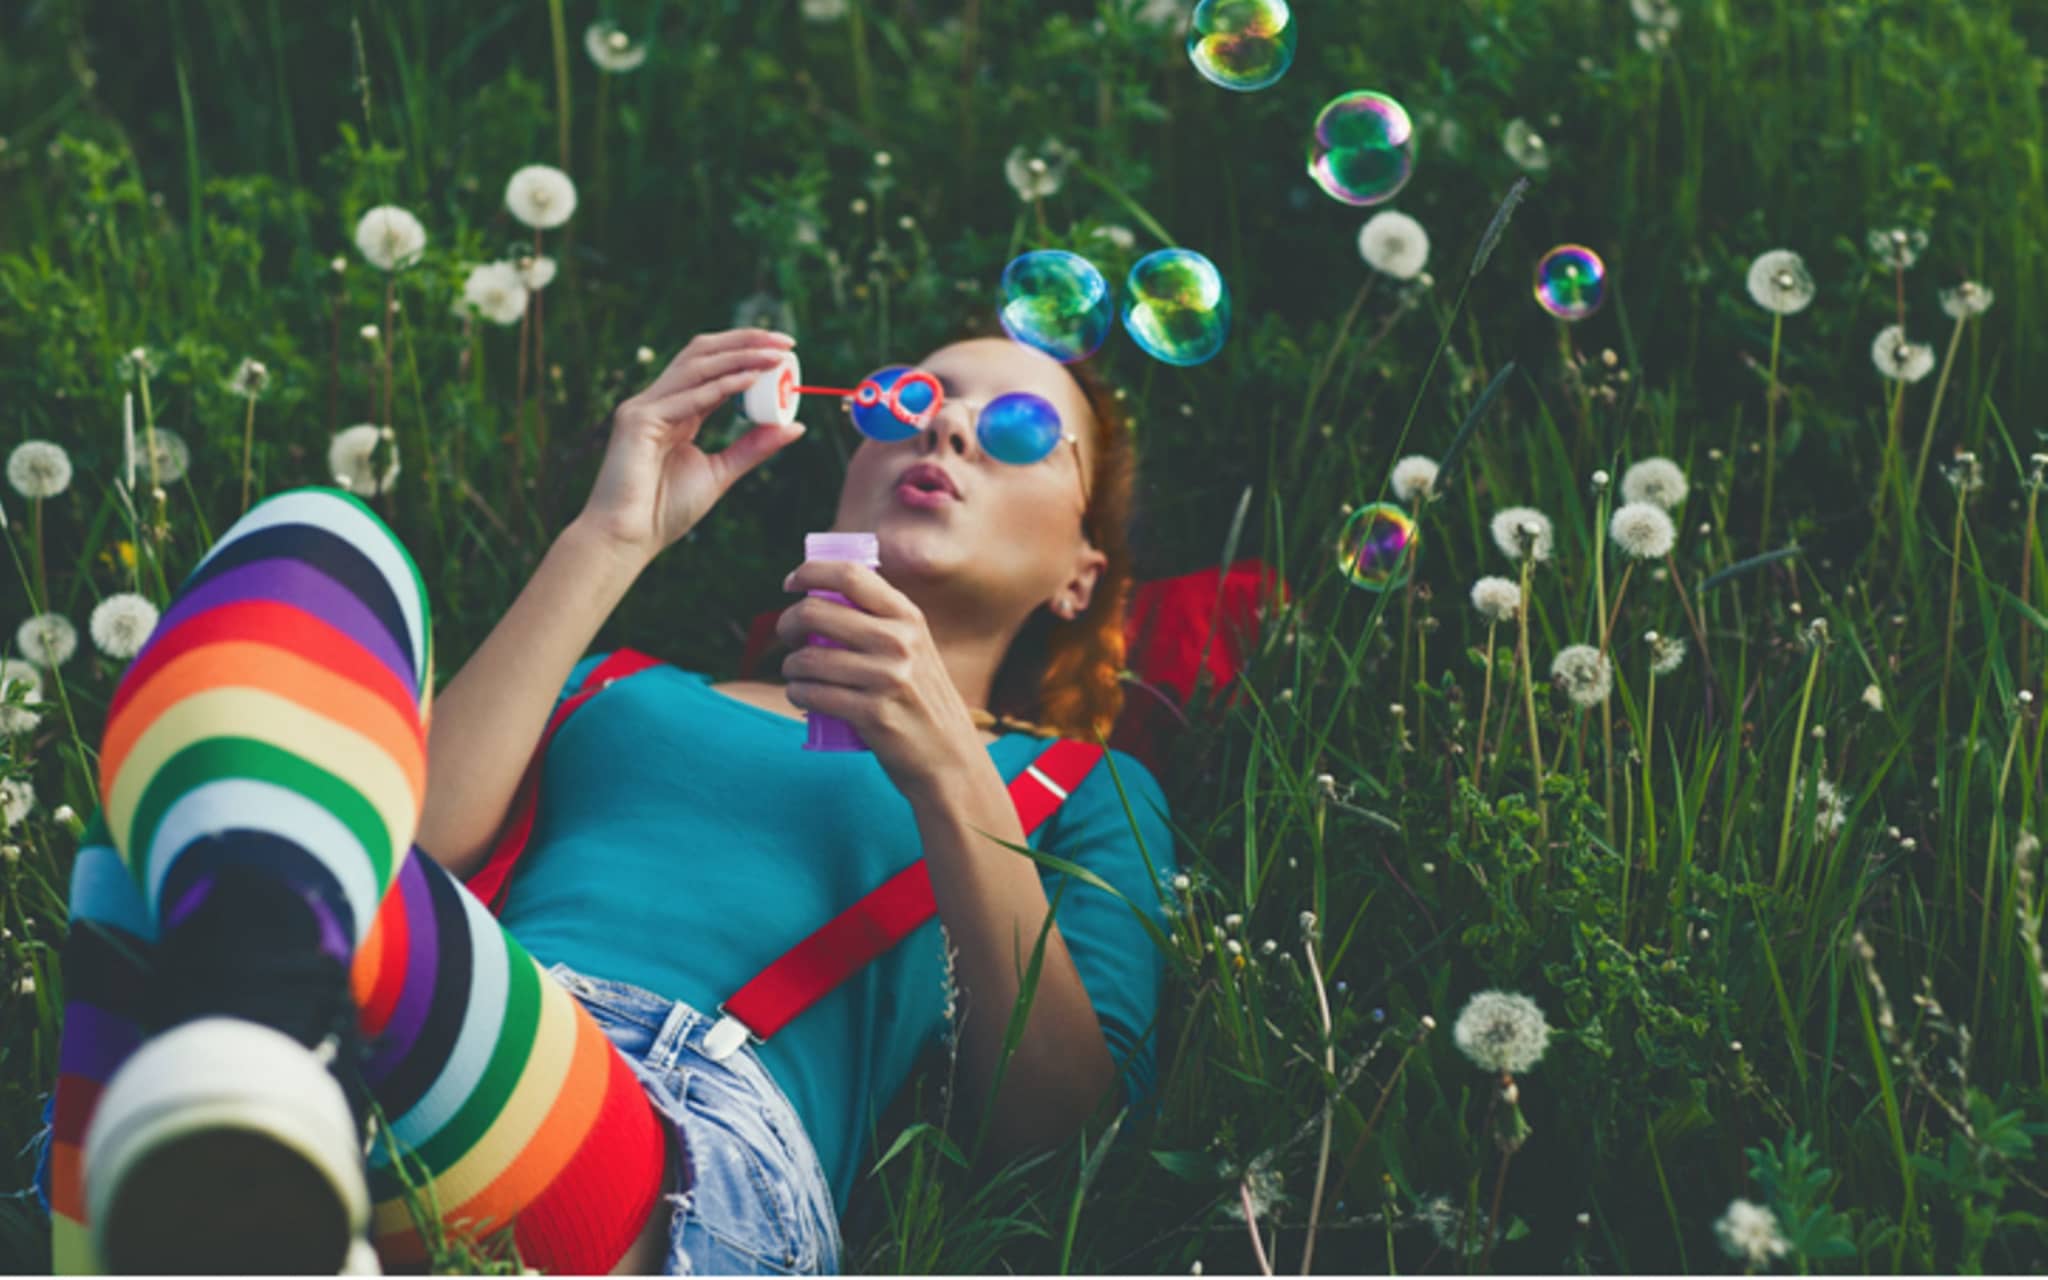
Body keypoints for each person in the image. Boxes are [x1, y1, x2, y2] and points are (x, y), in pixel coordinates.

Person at [42, 326, 1178, 1274]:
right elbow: (387, 842)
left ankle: (226, 1105)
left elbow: (1058, 1134)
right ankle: (254, 1100)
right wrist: (611, 533)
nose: (943, 426)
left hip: (667, 1152)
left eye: (1021, 428)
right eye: (909, 399)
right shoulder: (619, 684)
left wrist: (947, 767)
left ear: (1081, 572)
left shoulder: (1073, 786)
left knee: (167, 884)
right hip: (437, 1015)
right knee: (318, 540)